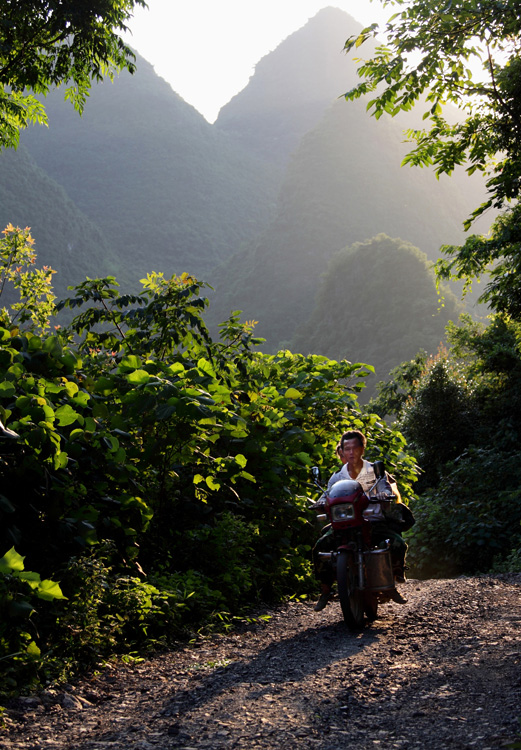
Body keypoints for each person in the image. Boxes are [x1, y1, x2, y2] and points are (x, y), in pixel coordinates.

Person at [312, 429, 411, 612]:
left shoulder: (375, 471)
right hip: (344, 524)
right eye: (346, 448)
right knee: (320, 547)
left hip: (373, 522)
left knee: (397, 543)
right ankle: (325, 589)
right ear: (341, 451)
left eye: (355, 448)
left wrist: (384, 495)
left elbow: (386, 489)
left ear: (362, 449)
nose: (351, 452)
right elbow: (327, 496)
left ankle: (392, 582)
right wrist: (321, 503)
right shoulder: (337, 477)